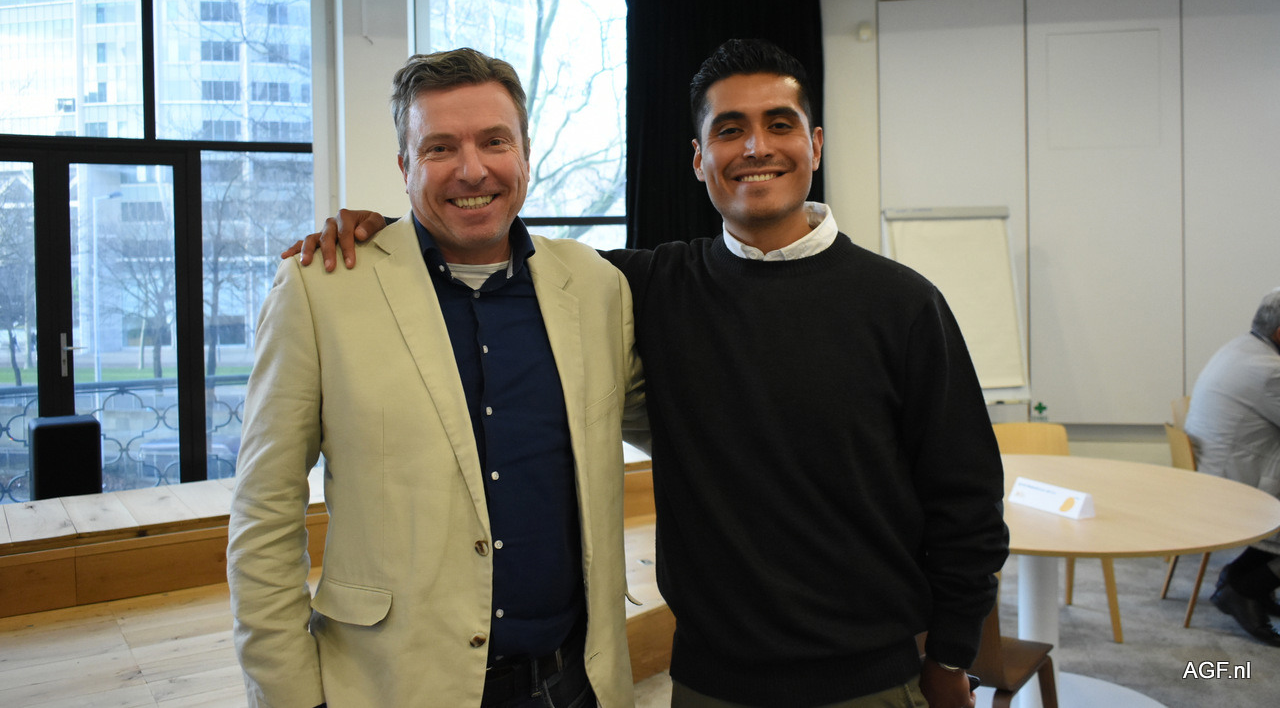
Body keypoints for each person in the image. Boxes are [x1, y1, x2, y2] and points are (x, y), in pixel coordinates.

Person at [290, 39, 1009, 708]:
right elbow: (485, 234)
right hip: (708, 683)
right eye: (729, 129)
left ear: (814, 145)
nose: (755, 147)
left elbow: (966, 498)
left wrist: (951, 655)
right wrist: (388, 237)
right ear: (698, 158)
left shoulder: (902, 304)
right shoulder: (649, 286)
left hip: (871, 682)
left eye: (779, 124)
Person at [228, 48, 644, 708]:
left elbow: (677, 424)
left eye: (494, 141)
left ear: (526, 154)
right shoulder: (322, 289)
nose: (472, 169)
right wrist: (290, 695)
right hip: (393, 687)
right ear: (404, 166)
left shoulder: (596, 287)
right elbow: (264, 511)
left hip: (574, 683)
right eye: (440, 147)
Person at [1184, 287, 1280, 647]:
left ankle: (1241, 579)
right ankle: (1244, 589)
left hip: (1223, 474)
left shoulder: (1242, 348)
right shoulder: (1269, 370)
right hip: (1235, 488)